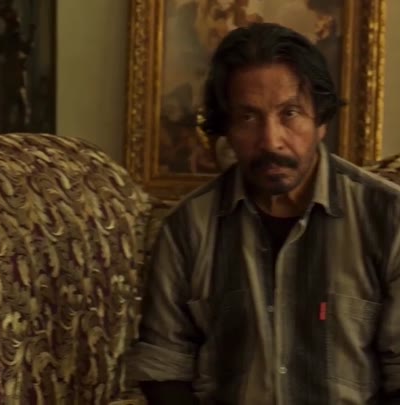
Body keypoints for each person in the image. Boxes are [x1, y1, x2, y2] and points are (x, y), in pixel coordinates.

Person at [126, 22, 400, 405]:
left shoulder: (387, 218)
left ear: (321, 121)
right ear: (226, 128)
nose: (271, 141)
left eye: (290, 113)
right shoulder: (187, 228)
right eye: (248, 118)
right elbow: (164, 367)